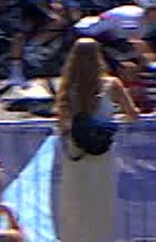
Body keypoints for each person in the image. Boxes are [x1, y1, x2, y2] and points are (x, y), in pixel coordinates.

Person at [54, 36, 139, 242]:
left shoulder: (67, 87)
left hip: (74, 150)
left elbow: (62, 121)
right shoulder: (111, 84)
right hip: (102, 149)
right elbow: (133, 114)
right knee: (101, 201)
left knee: (75, 201)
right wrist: (112, 119)